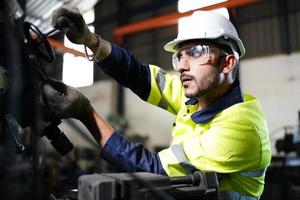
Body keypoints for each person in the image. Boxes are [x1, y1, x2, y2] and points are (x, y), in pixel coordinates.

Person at [41, 6, 271, 200]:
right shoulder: (197, 98)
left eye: (195, 52)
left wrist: (86, 113)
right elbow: (140, 76)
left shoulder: (242, 127)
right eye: (180, 55)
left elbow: (155, 171)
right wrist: (89, 40)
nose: (181, 65)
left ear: (228, 63)